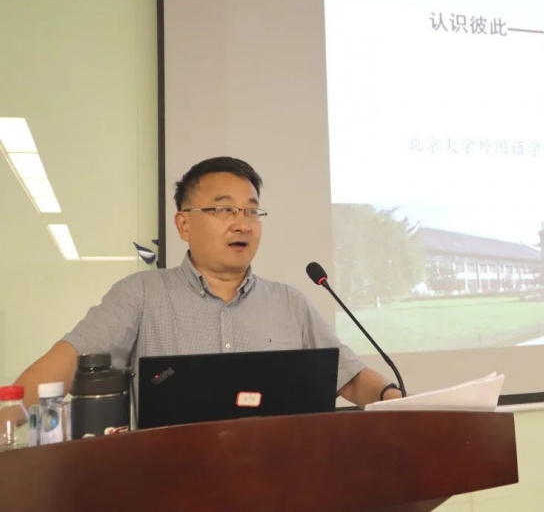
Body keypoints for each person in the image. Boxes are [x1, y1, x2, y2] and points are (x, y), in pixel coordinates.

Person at [14, 156, 402, 411]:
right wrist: (10, 418)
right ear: (183, 224)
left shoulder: (290, 303)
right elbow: (62, 366)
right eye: (225, 209)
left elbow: (351, 379)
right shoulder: (141, 295)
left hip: (277, 483)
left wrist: (400, 401)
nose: (242, 223)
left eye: (252, 211)